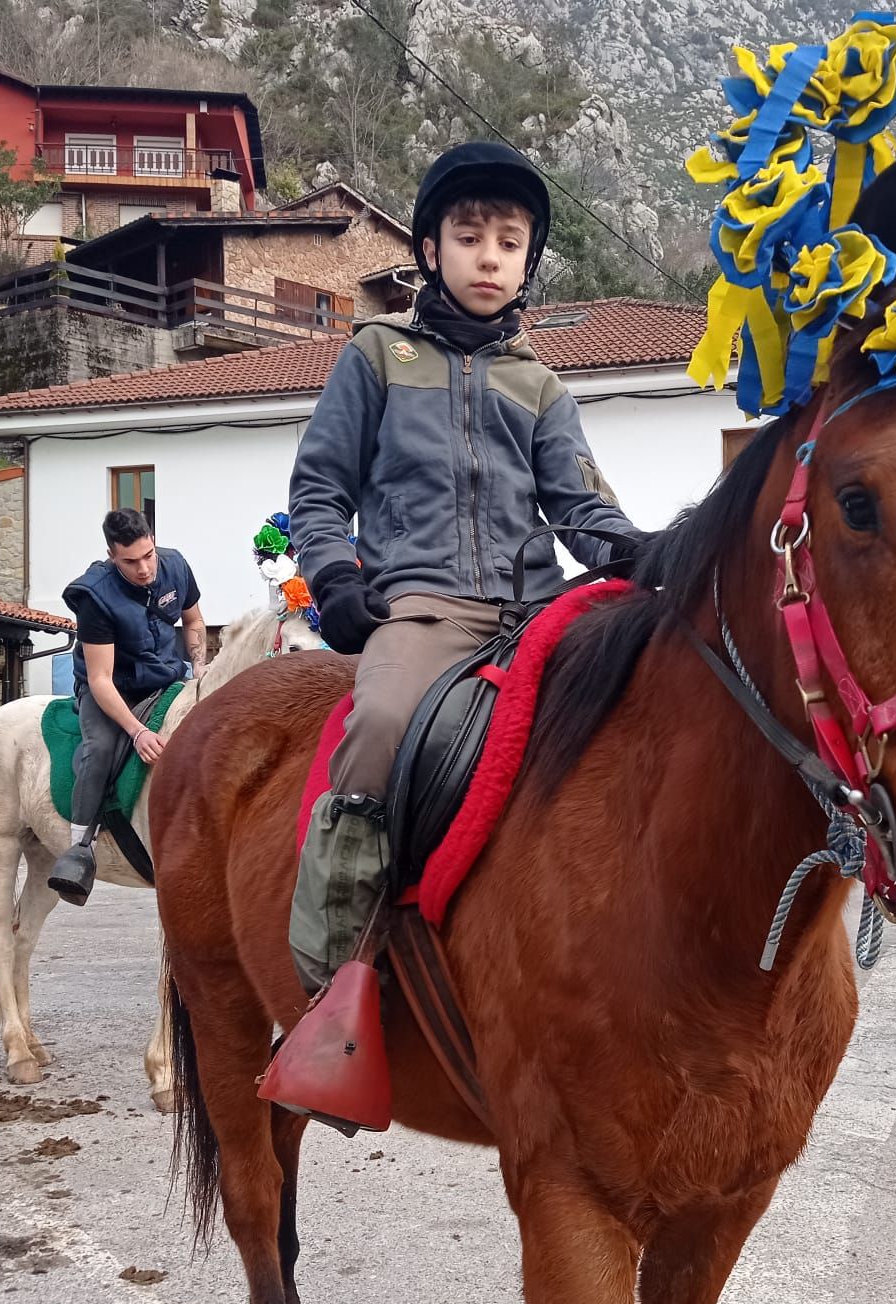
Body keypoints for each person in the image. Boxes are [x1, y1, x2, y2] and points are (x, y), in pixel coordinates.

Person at [284, 140, 651, 996]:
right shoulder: (376, 355)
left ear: (528, 262)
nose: (490, 256)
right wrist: (335, 576)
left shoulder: (542, 385)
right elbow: (319, 488)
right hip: (423, 607)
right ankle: (335, 978)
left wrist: (645, 551)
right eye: (470, 235)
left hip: (538, 610)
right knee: (376, 724)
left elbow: (581, 510)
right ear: (429, 249)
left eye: (510, 241)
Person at [47, 508, 206, 905]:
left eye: (148, 555)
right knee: (100, 748)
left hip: (166, 679)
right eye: (130, 561)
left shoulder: (176, 565)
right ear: (111, 555)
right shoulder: (94, 596)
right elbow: (100, 679)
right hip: (112, 691)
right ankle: (80, 847)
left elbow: (194, 620)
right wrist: (136, 731)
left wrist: (200, 666)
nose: (144, 568)